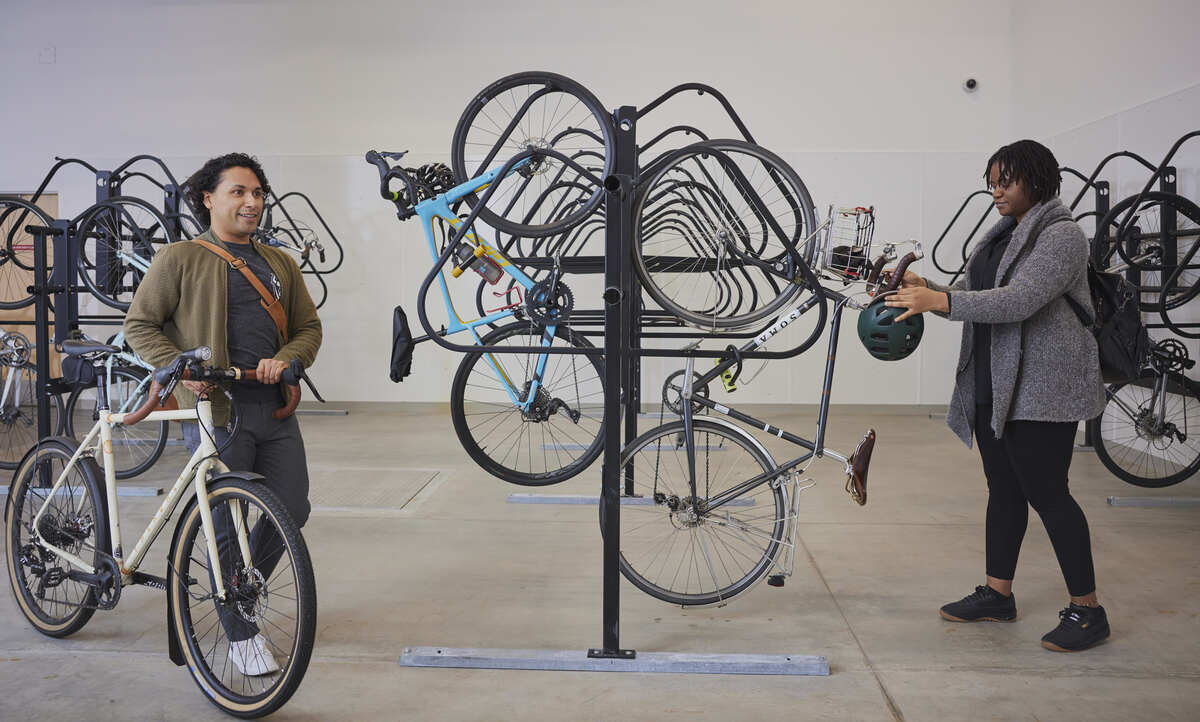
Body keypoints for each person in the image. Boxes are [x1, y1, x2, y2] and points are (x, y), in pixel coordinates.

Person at [884, 139, 1109, 652]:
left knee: (1049, 494)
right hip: (994, 381)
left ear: (1036, 179)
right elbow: (972, 292)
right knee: (1004, 491)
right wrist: (928, 287)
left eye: (1005, 180)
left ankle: (1089, 611)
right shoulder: (1001, 235)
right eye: (991, 181)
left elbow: (1019, 300)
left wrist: (939, 299)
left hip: (1042, 389)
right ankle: (997, 595)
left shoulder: (1063, 236)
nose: (995, 191)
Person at [124, 153, 322, 674]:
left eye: (257, 193)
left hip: (274, 410)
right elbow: (140, 325)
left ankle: (236, 585)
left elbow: (308, 327)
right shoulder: (179, 258)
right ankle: (240, 631)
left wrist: (288, 359)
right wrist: (176, 366)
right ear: (208, 198)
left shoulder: (280, 263)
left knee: (291, 509)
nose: (252, 202)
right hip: (215, 412)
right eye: (238, 192)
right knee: (224, 523)